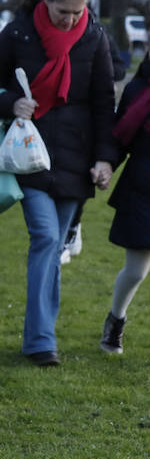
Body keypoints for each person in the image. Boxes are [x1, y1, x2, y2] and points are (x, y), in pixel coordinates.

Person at [0, 0, 117, 366]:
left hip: (76, 156)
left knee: (54, 244)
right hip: (28, 152)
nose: (70, 19)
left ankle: (39, 336)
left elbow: (103, 102)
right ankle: (41, 341)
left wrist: (105, 158)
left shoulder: (95, 37)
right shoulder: (19, 32)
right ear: (46, 0)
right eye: (63, 11)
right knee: (44, 237)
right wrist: (10, 103)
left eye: (78, 12)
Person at [99, 55, 150, 354]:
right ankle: (115, 321)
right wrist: (106, 165)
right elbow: (121, 138)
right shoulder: (138, 89)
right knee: (136, 270)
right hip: (142, 186)